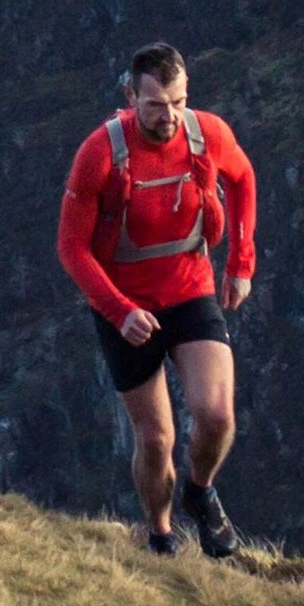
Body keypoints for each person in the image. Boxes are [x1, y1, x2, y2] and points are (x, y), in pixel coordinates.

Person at [57, 42, 259, 558]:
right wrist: (119, 311)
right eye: (154, 105)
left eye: (178, 102)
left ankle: (200, 490)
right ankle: (161, 535)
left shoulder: (206, 133)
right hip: (124, 306)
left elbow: (243, 179)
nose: (169, 116)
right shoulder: (99, 154)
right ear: (130, 96)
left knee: (217, 417)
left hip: (190, 288)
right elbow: (71, 247)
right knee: (155, 439)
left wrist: (240, 263)